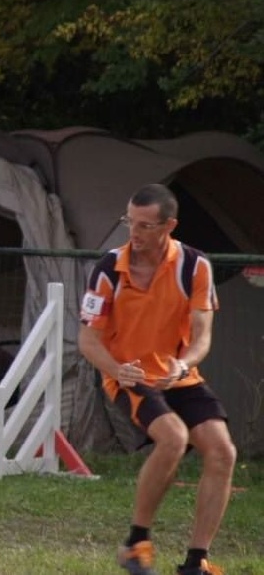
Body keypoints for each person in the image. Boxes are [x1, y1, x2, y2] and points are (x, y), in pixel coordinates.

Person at [78, 183, 236, 575]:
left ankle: (196, 562)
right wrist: (116, 370)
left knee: (222, 452)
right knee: (174, 438)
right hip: (127, 374)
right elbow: (87, 338)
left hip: (177, 374)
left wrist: (183, 365)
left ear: (170, 225)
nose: (135, 232)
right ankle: (136, 543)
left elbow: (202, 336)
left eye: (146, 226)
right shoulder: (108, 268)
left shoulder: (195, 266)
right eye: (130, 222)